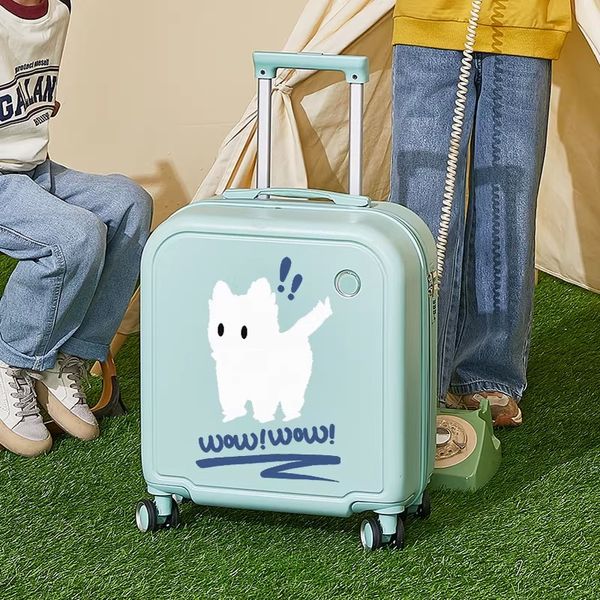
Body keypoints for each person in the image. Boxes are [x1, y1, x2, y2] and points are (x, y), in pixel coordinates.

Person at [389, 0, 572, 426]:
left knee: (508, 202)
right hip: (429, 18)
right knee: (422, 207)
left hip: (527, 21)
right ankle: (416, 371)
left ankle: (489, 372)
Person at [0, 0, 152, 456]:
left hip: (32, 168)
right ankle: (10, 361)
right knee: (75, 235)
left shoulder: (59, 9)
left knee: (131, 203)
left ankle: (69, 356)